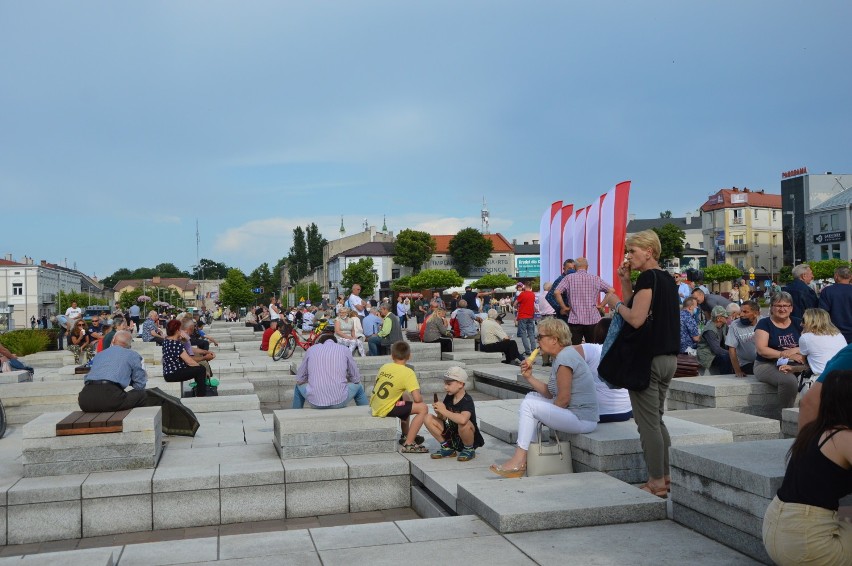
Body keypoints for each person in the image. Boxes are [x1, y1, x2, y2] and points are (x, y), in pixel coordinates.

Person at [602, 229, 679, 498]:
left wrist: (614, 303)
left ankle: (656, 482)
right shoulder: (667, 279)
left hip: (648, 360)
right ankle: (667, 476)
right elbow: (640, 306)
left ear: (649, 251)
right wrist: (625, 283)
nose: (628, 256)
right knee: (657, 421)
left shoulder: (649, 277)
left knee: (647, 424)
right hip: (668, 358)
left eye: (632, 251)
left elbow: (634, 318)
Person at [761, 370, 852, 565]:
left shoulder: (812, 430)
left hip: (775, 532)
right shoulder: (845, 437)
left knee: (848, 513)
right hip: (807, 544)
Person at [490, 318, 598, 478]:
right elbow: (550, 393)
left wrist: (543, 415)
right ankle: (527, 456)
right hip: (575, 413)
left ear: (554, 339)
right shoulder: (561, 357)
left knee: (530, 406)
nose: (537, 340)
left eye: (540, 337)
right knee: (531, 397)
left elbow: (563, 400)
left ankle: (519, 459)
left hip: (582, 418)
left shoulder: (565, 358)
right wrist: (529, 377)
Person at [369, 341, 429, 453]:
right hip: (386, 408)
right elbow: (417, 399)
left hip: (376, 404)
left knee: (405, 397)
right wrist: (420, 400)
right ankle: (409, 444)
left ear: (392, 356)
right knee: (423, 408)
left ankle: (406, 435)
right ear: (409, 356)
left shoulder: (385, 366)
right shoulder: (408, 372)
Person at [573, 318, 633, 422]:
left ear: (597, 332)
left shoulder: (591, 349)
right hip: (626, 411)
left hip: (599, 412)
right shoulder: (628, 350)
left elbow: (565, 354)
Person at [77, 331, 148, 412]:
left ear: (113, 340)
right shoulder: (133, 355)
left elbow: (89, 376)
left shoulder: (99, 354)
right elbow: (140, 385)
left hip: (85, 400)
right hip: (110, 397)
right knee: (143, 395)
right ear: (129, 345)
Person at [753, 291, 802, 409]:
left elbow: (811, 344)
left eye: (786, 306)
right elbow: (762, 350)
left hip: (797, 362)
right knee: (789, 380)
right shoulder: (764, 324)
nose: (782, 309)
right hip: (767, 364)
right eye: (778, 306)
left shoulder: (799, 323)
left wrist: (795, 350)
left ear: (791, 308)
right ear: (772, 308)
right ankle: (787, 414)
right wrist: (786, 355)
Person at [425, 366, 485, 461]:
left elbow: (463, 419)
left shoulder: (467, 400)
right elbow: (445, 418)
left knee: (464, 424)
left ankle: (469, 449)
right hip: (453, 434)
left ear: (460, 384)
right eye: (445, 384)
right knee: (428, 418)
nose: (445, 387)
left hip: (467, 436)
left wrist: (444, 410)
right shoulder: (449, 397)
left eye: (449, 384)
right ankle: (447, 447)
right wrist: (439, 412)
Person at [292, 334, 368, 409]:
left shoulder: (311, 349)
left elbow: (300, 379)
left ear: (320, 342)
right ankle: (365, 410)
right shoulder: (344, 349)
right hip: (340, 401)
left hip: (315, 402)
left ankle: (295, 413)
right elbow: (356, 378)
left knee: (298, 387)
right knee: (358, 386)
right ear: (336, 342)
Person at [553, 257, 615, 345]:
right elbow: (611, 290)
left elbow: (556, 292)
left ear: (575, 267)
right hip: (592, 319)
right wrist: (602, 305)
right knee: (593, 347)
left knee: (575, 349)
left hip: (575, 319)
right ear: (587, 267)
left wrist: (564, 307)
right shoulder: (595, 278)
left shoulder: (569, 278)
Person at [161, 318, 207, 397]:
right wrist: (204, 371)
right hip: (174, 373)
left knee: (199, 369)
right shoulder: (176, 344)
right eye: (179, 329)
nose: (181, 331)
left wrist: (183, 340)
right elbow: (189, 361)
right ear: (177, 330)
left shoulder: (166, 341)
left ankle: (198, 391)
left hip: (168, 373)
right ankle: (201, 396)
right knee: (201, 370)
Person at [798, 308, 847, 381]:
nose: (801, 324)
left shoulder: (805, 337)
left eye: (803, 320)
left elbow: (805, 363)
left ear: (812, 322)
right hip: (844, 377)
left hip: (822, 379)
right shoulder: (838, 335)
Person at [726, 299, 760, 377]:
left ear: (756, 313)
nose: (741, 315)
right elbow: (731, 349)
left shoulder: (763, 322)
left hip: (763, 362)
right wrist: (737, 371)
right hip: (746, 364)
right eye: (741, 311)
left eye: (745, 312)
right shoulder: (735, 325)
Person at [696, 306, 734, 375]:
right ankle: (726, 378)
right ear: (718, 318)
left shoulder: (723, 325)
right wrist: (732, 352)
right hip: (707, 354)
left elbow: (732, 335)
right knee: (725, 358)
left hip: (715, 352)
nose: (727, 318)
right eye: (725, 316)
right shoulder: (710, 330)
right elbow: (716, 350)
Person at [818, 266, 852, 343]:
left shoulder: (827, 291)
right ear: (850, 277)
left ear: (836, 276)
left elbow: (822, 313)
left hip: (834, 333)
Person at [513, 282, 537, 357]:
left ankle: (527, 351)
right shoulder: (533, 294)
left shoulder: (522, 294)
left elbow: (515, 304)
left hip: (523, 316)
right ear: (530, 287)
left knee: (523, 334)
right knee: (531, 333)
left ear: (525, 287)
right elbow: (533, 305)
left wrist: (518, 307)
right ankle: (534, 349)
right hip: (531, 316)